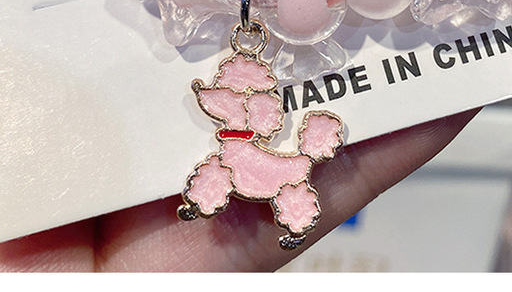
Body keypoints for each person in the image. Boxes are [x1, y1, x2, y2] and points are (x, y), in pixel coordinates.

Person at [0, 109, 477, 272]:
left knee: (289, 191)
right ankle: (207, 205)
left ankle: (290, 222)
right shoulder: (233, 147)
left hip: (280, 171)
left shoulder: (237, 152)